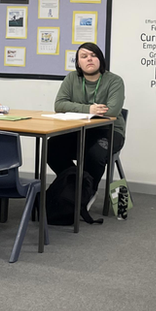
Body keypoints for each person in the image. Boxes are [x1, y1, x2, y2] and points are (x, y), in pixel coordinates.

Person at [49, 42, 125, 198]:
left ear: (100, 60)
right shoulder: (72, 78)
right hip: (80, 129)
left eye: (93, 55)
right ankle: (77, 184)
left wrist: (74, 107)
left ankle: (87, 193)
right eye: (84, 56)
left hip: (109, 131)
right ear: (78, 62)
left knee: (94, 154)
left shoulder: (114, 81)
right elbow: (59, 105)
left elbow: (111, 111)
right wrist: (89, 109)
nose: (89, 59)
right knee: (52, 147)